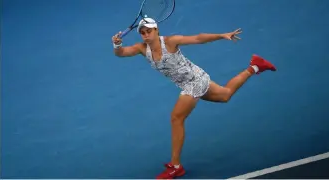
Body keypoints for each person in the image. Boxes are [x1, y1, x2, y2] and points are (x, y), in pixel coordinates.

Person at [112, 17, 276, 179]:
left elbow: (198, 38)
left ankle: (176, 166)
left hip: (194, 81)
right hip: (190, 81)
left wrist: (221, 35)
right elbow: (122, 53)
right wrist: (117, 43)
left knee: (176, 118)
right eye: (142, 33)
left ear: (156, 30)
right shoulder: (142, 48)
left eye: (149, 31)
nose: (146, 35)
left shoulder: (170, 41)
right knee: (225, 95)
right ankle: (255, 66)